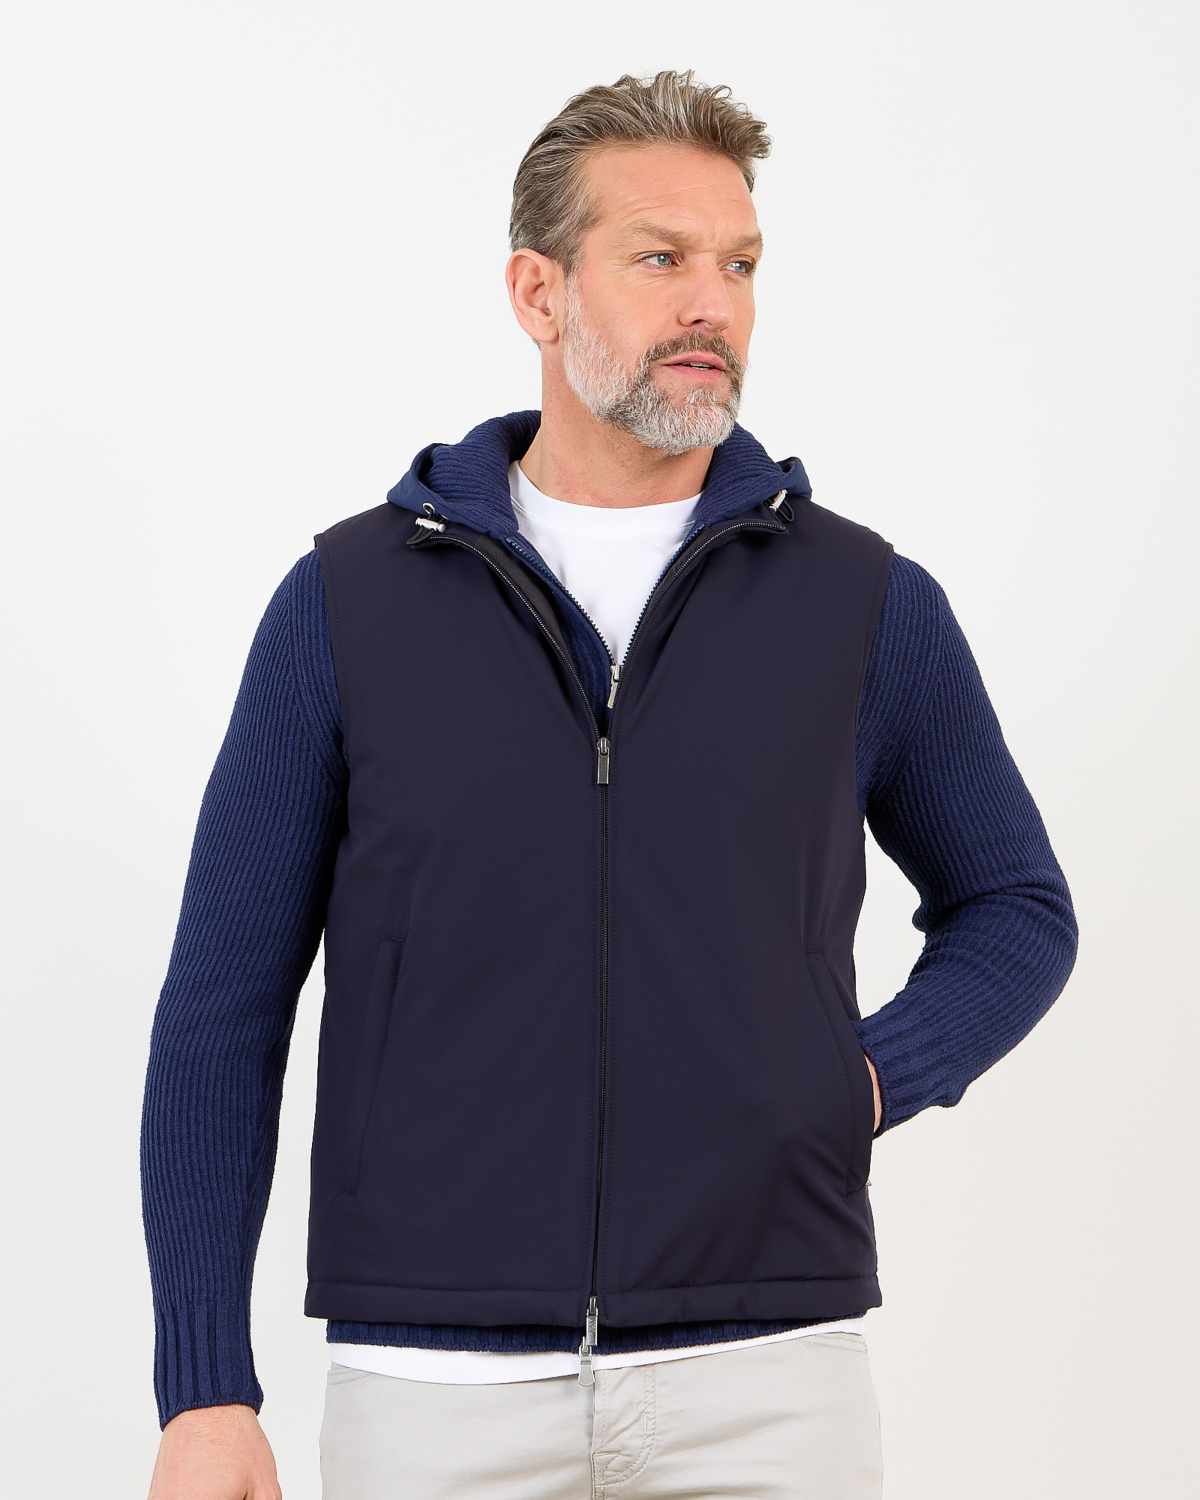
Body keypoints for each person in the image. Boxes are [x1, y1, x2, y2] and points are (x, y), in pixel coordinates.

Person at [142, 70, 1077, 1500]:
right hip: (438, 1396)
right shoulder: (348, 604)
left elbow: (1015, 903)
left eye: (740, 265)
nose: (713, 304)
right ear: (539, 291)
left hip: (769, 1381)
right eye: (660, 258)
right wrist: (204, 1386)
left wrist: (866, 1078)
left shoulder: (865, 604)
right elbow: (222, 1005)